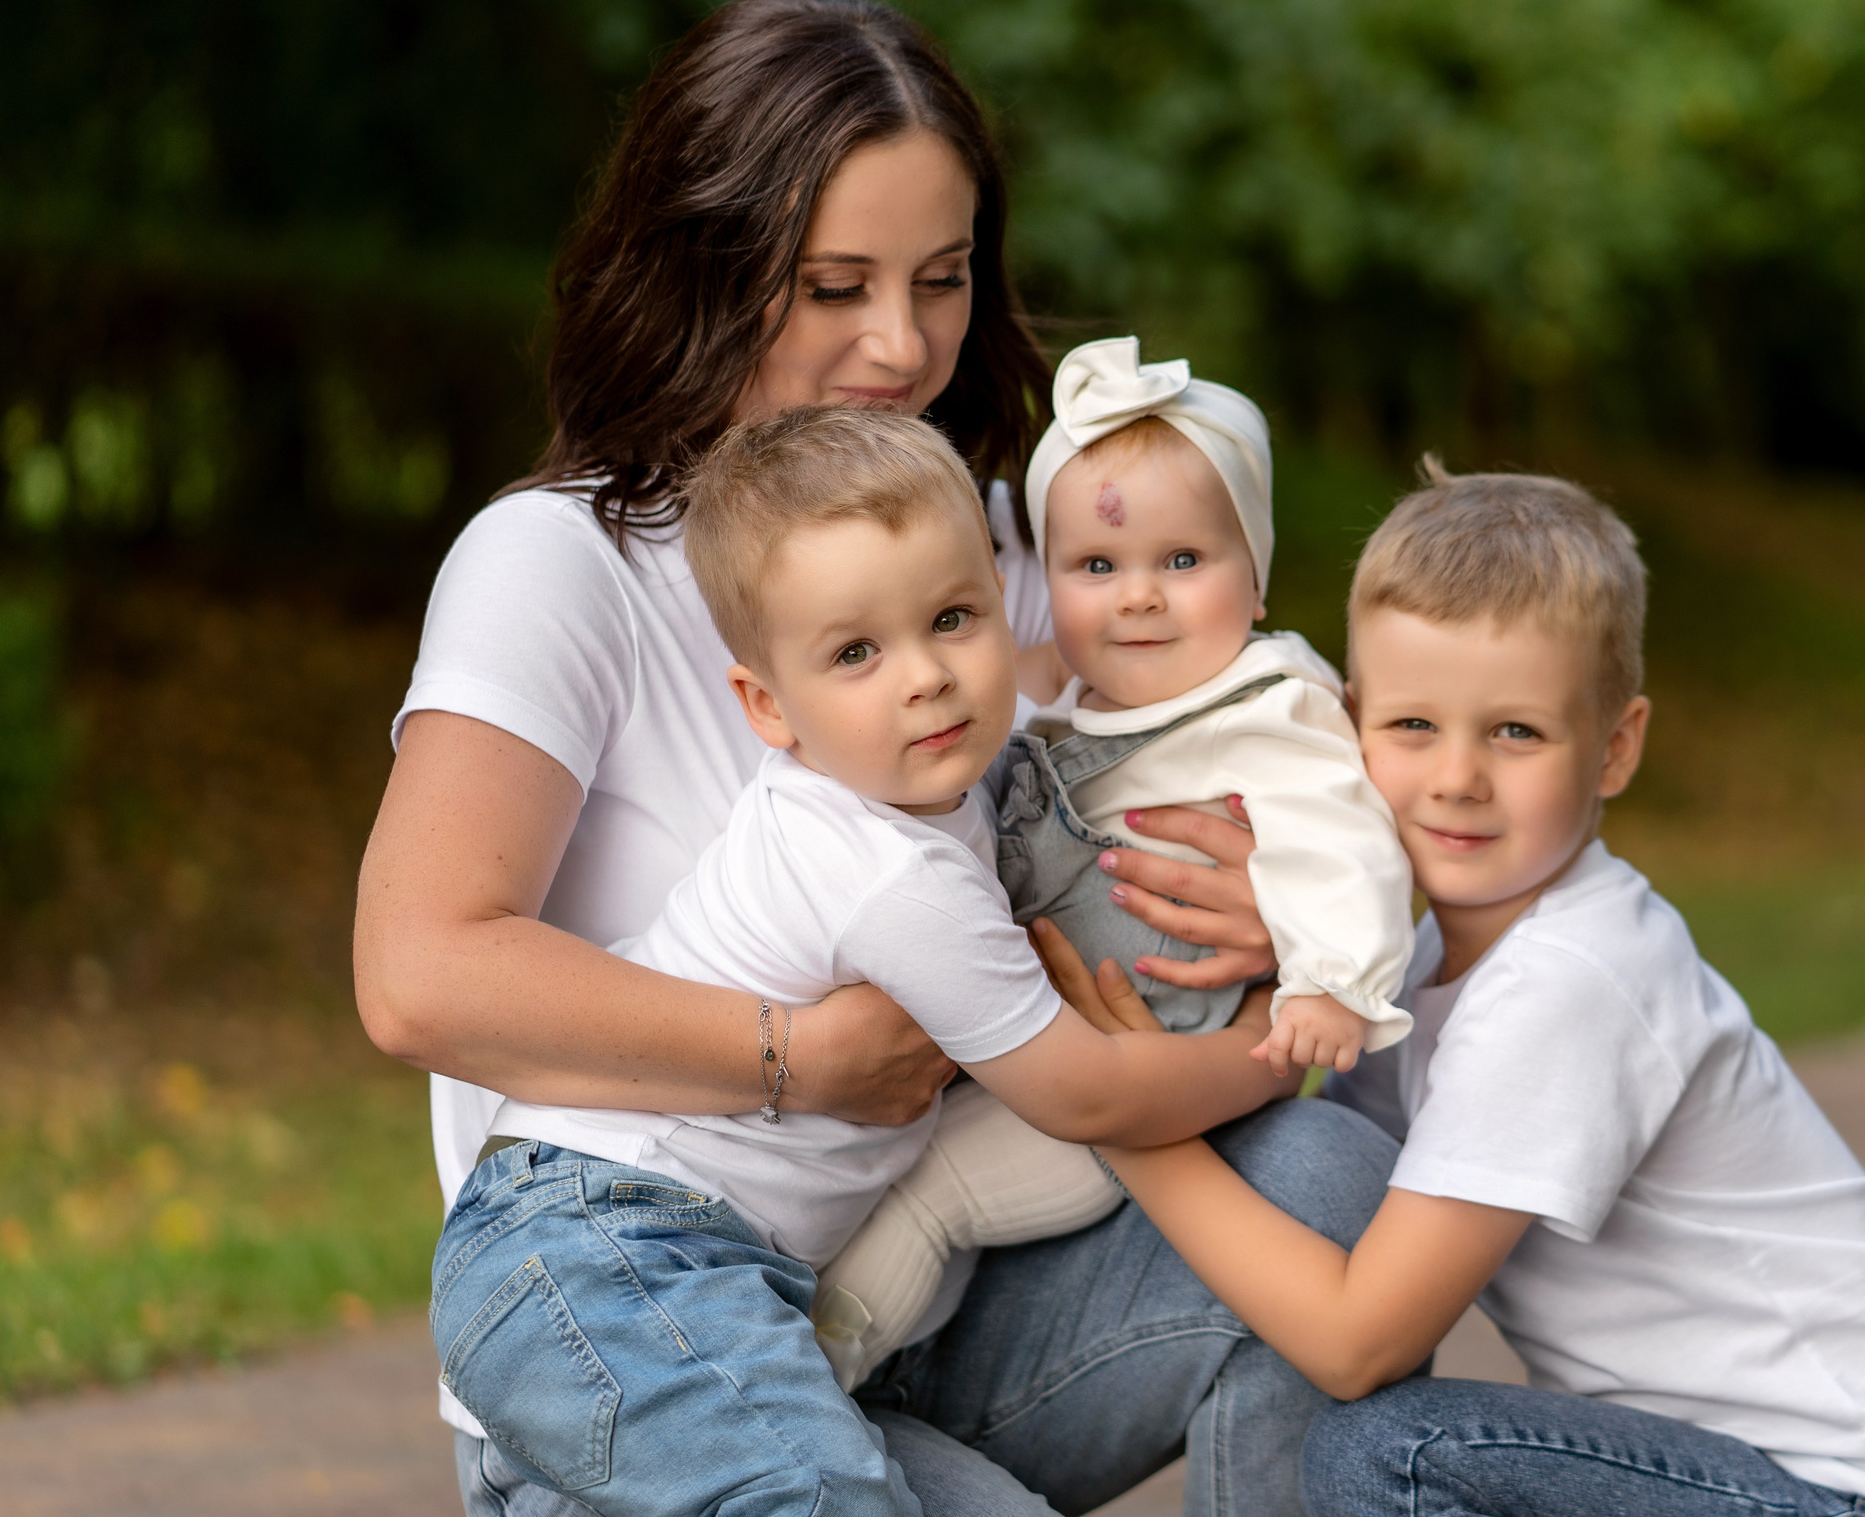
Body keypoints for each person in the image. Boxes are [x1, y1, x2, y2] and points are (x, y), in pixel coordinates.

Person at [354, 0, 1395, 1517]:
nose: (901, 342)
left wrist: (1295, 905)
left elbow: (1317, 767)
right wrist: (796, 1059)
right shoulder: (559, 561)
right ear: (708, 258)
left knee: (1334, 1172)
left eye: (943, 277)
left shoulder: (978, 553)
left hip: (934, 1290)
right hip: (657, 1316)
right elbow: (418, 974)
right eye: (835, 284)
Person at [1035, 463, 1865, 1517]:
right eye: (1413, 728)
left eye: (1515, 732)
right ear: (1347, 726)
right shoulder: (1424, 958)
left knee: (1392, 1452)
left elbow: (1358, 1340)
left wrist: (1120, 1115)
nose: (1457, 778)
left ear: (1614, 747)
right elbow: (1317, 1173)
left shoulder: (1569, 978)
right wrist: (1288, 950)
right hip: (1728, 1479)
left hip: (1860, 1494)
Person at [436, 409, 1308, 1515]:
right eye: (856, 652)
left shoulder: (937, 792)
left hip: (643, 1273)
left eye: (951, 619)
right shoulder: (890, 873)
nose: (925, 677)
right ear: (767, 707)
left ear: (1004, 606)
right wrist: (1264, 1049)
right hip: (603, 1248)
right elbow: (1082, 1090)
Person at [812, 337, 1413, 1389]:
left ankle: (803, 1382)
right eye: (1098, 566)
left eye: (1182, 562)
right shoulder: (1057, 715)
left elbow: (1346, 847)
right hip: (1028, 1047)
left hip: (1134, 1087)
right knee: (888, 1185)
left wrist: (1329, 984)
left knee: (933, 1200)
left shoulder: (1271, 713)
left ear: (1257, 581)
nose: (1139, 597)